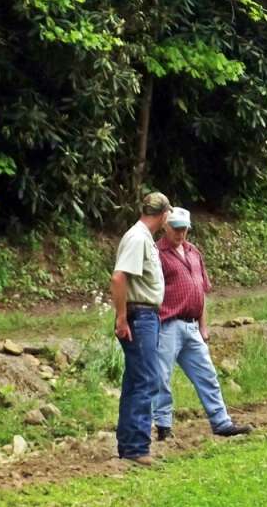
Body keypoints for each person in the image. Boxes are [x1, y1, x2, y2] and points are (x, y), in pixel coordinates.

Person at [153, 207, 252, 440]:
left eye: (184, 229)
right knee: (162, 377)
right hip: (167, 323)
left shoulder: (193, 252)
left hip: (191, 324)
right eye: (176, 228)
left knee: (207, 373)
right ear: (166, 227)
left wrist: (203, 325)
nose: (180, 233)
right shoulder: (157, 253)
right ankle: (164, 427)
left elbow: (201, 291)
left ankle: (221, 421)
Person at [110, 191, 171, 466]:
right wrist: (121, 317)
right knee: (147, 379)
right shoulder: (137, 238)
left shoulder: (143, 238)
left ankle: (129, 445)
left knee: (136, 380)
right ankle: (136, 448)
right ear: (165, 214)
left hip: (144, 315)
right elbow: (119, 277)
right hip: (141, 316)